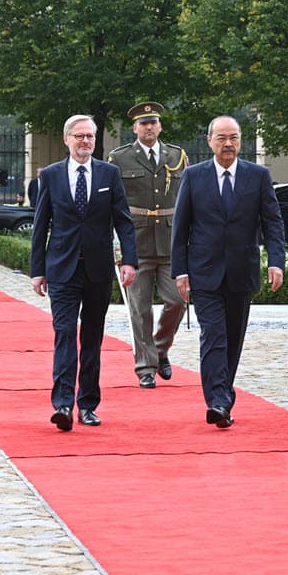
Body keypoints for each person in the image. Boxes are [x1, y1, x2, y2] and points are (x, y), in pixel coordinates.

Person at [172, 115, 286, 428]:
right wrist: (180, 271)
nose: (228, 144)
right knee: (213, 335)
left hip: (241, 271)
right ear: (209, 141)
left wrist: (276, 261)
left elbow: (272, 222)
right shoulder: (194, 176)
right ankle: (218, 401)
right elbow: (181, 227)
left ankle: (223, 395)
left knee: (233, 339)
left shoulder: (258, 176)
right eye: (221, 138)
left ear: (240, 141)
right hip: (204, 272)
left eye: (233, 137)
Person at [30, 114, 137, 431]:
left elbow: (123, 221)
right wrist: (37, 270)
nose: (85, 141)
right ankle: (63, 404)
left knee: (92, 338)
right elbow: (40, 226)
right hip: (62, 269)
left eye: (89, 136)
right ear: (67, 139)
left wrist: (129, 261)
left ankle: (88, 405)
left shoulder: (109, 174)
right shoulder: (51, 176)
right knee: (64, 333)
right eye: (79, 136)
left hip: (97, 269)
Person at [107, 101, 188, 388]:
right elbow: (113, 204)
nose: (149, 127)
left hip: (169, 241)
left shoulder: (177, 156)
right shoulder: (120, 158)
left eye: (153, 122)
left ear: (160, 126)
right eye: (143, 123)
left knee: (177, 301)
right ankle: (145, 367)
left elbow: (186, 199)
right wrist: (117, 246)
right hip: (136, 244)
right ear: (135, 128)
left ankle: (160, 350)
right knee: (140, 310)